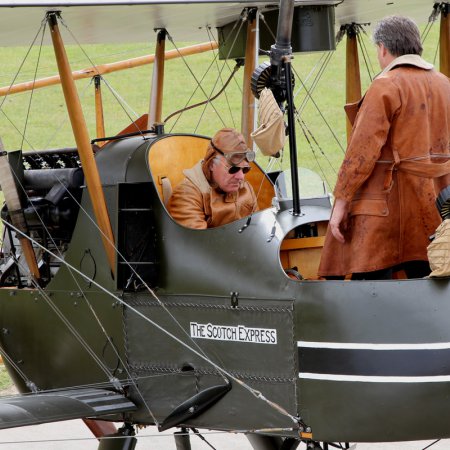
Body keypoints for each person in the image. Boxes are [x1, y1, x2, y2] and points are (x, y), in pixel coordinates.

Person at [318, 15, 450, 280]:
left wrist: (341, 204)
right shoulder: (444, 84)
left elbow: (361, 154)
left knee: (368, 281)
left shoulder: (386, 86)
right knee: (430, 276)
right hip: (435, 203)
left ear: (383, 49)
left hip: (386, 209)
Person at [167, 128, 258, 229]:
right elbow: (197, 241)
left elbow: (258, 231)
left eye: (245, 169)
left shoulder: (245, 189)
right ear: (211, 164)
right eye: (233, 169)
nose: (240, 177)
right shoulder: (187, 195)